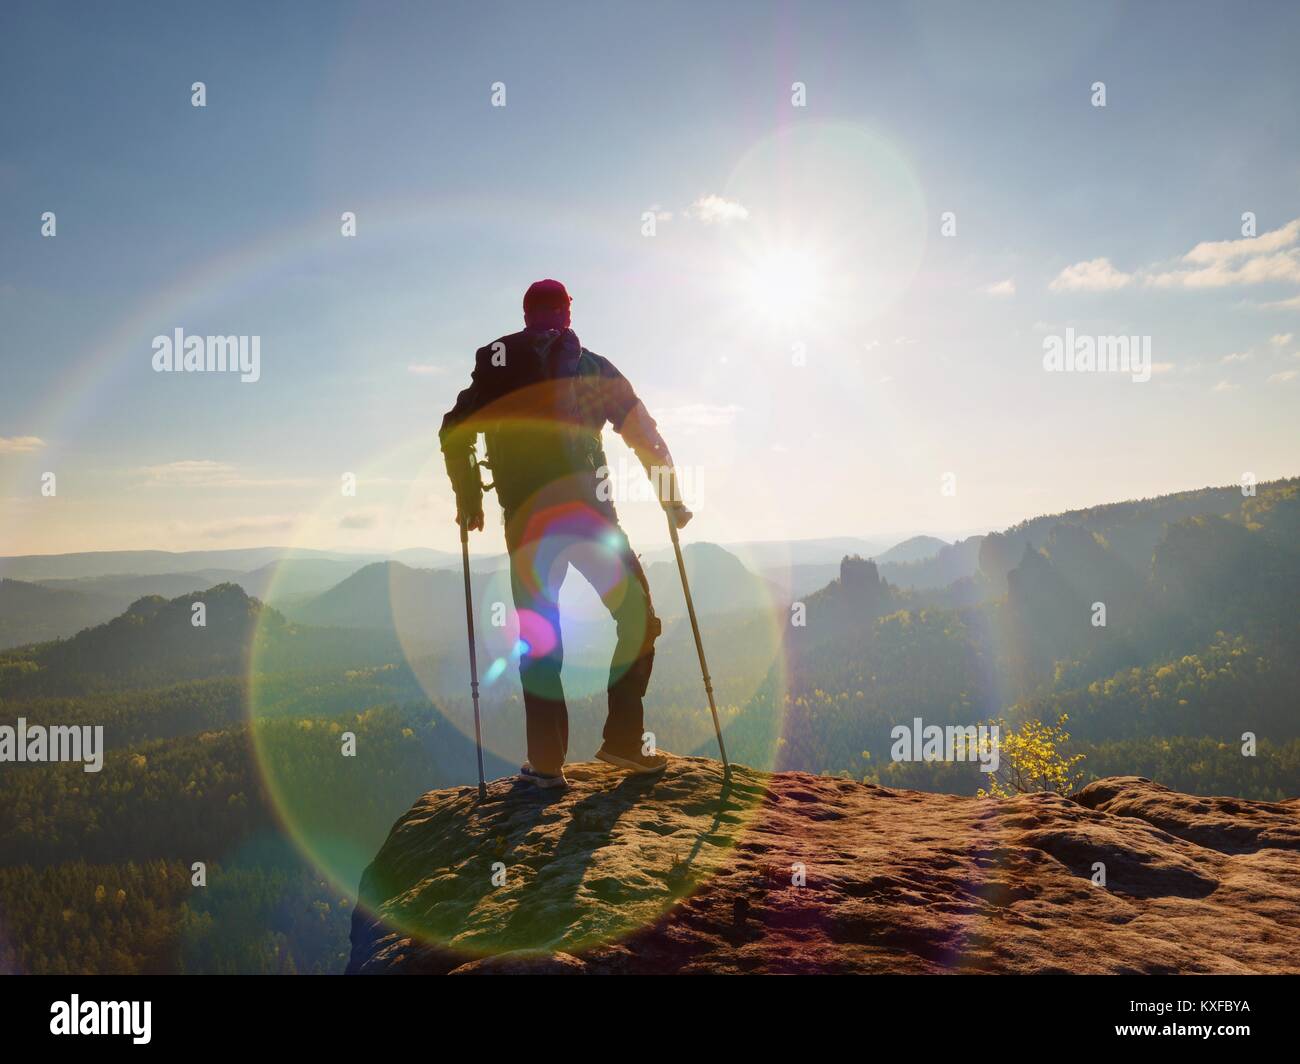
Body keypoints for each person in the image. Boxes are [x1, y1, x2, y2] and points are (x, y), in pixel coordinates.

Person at [440, 279, 692, 789]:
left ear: (527, 312)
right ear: (569, 314)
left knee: (540, 636)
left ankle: (547, 765)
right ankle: (624, 740)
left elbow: (454, 429)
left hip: (528, 520)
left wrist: (470, 497)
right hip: (591, 516)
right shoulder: (594, 366)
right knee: (637, 617)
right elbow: (645, 436)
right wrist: (671, 498)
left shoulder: (496, 361)